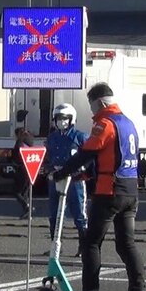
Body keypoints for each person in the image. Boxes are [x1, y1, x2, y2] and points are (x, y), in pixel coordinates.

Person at [53, 83, 146, 291]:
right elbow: (114, 156)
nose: (92, 112)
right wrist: (87, 176)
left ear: (101, 103)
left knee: (91, 242)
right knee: (126, 244)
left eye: (92, 106)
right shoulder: (129, 123)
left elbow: (87, 153)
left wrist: (61, 173)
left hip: (110, 191)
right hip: (131, 190)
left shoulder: (105, 124)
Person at [45, 103, 88, 257]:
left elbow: (89, 158)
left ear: (71, 119)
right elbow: (47, 158)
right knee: (54, 214)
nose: (61, 121)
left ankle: (84, 247)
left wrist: (84, 171)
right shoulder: (52, 138)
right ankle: (56, 246)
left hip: (74, 180)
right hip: (55, 178)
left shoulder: (80, 137)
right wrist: (48, 170)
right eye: (58, 118)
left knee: (79, 214)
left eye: (64, 118)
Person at [12, 127, 34, 219]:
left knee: (17, 193)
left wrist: (14, 164)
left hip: (21, 170)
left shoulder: (19, 144)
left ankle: (27, 207)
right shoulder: (28, 143)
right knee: (25, 193)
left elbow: (17, 158)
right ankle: (27, 213)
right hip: (29, 170)